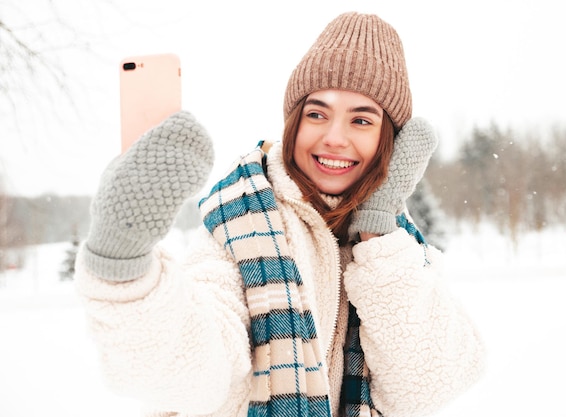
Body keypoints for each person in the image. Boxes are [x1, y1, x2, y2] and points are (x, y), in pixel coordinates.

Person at [75, 11, 485, 417]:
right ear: (293, 123)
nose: (334, 138)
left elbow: (427, 383)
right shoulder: (241, 223)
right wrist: (122, 262)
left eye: (361, 120)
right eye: (316, 114)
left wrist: (377, 232)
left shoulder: (401, 248)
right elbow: (189, 374)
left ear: (389, 142)